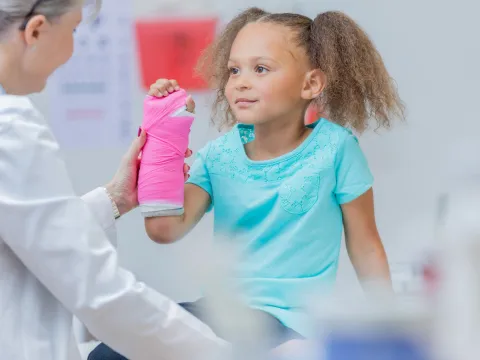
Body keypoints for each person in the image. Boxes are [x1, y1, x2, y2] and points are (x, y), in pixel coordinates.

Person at [91, 6, 406, 359]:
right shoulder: (219, 156)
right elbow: (164, 229)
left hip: (295, 323)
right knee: (109, 353)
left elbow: (365, 245)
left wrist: (390, 326)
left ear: (311, 83)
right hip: (224, 314)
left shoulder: (336, 149)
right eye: (234, 70)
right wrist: (165, 132)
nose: (240, 81)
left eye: (260, 69)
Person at [0, 1, 231, 360]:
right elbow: (98, 290)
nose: (73, 49)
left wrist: (116, 198)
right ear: (36, 31)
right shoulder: (11, 128)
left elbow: (28, 229)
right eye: (74, 30)